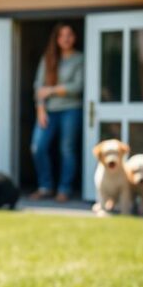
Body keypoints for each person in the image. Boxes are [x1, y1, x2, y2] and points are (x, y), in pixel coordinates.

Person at [30, 24, 84, 202]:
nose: (66, 38)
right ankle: (45, 187)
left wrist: (51, 90)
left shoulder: (79, 59)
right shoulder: (48, 59)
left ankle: (64, 188)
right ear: (57, 39)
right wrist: (40, 110)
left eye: (69, 34)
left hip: (71, 110)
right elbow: (39, 87)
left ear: (74, 37)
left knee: (66, 149)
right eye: (62, 35)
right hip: (48, 111)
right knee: (38, 147)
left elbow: (77, 87)